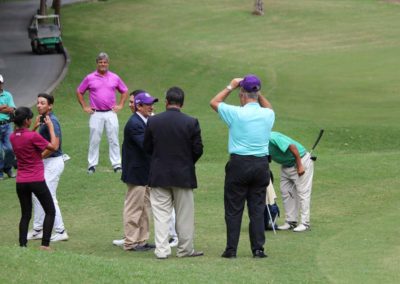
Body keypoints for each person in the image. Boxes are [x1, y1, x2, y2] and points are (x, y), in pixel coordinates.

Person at [210, 75, 275, 259]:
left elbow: (214, 102)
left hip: (239, 164)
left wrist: (230, 86)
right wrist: (256, 91)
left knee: (233, 208)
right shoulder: (267, 114)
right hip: (261, 164)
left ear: (242, 94)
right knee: (256, 209)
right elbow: (268, 107)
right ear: (257, 93)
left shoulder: (236, 113)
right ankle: (258, 249)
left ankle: (231, 249)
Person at [143, 86, 203, 259]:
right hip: (183, 175)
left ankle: (162, 250)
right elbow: (198, 149)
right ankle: (185, 249)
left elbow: (147, 147)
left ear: (166, 102)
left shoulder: (153, 122)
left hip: (159, 174)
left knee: (161, 215)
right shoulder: (191, 122)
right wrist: (187, 162)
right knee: (184, 215)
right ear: (182, 104)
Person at [9, 107, 57, 250]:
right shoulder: (32, 136)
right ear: (26, 121)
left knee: (25, 214)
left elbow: (24, 137)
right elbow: (53, 146)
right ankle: (45, 245)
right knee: (50, 211)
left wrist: (34, 127)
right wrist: (51, 127)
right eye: (30, 119)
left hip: (21, 182)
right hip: (36, 180)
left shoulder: (12, 136)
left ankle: (22, 245)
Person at [116, 90, 158, 251]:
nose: (151, 107)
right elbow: (147, 146)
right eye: (148, 104)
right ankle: (131, 242)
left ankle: (141, 240)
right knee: (134, 208)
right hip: (137, 173)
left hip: (145, 172)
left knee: (144, 207)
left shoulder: (145, 121)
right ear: (139, 106)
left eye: (152, 104)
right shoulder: (135, 124)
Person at [76, 52, 128, 174]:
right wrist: (84, 106)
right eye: (100, 62)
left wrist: (120, 105)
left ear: (108, 63)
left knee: (113, 138)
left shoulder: (115, 77)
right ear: (97, 63)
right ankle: (92, 165)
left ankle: (116, 164)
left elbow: (124, 91)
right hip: (96, 113)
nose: (103, 64)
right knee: (94, 139)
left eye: (105, 62)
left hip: (111, 112)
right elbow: (79, 91)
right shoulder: (90, 77)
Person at [27, 93, 69, 242]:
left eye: (42, 103)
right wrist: (35, 127)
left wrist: (38, 158)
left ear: (50, 106)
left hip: (53, 162)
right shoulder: (44, 120)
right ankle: (38, 229)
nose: (39, 105)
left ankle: (61, 230)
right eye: (38, 103)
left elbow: (54, 146)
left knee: (49, 196)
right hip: (46, 162)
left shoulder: (53, 121)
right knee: (36, 194)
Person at [268, 131, 314, 232]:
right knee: (286, 192)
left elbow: (292, 146)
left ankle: (305, 223)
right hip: (286, 165)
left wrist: (300, 165)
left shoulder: (272, 137)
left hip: (300, 161)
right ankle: (291, 221)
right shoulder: (257, 142)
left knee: (303, 192)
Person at [0, 74, 16, 180]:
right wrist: (4, 107)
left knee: (10, 148)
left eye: (0, 83)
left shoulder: (7, 95)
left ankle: (8, 168)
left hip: (6, 125)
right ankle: (0, 172)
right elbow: (8, 108)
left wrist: (2, 108)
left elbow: (12, 109)